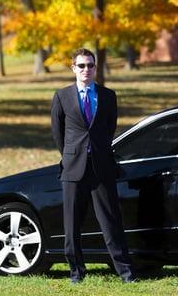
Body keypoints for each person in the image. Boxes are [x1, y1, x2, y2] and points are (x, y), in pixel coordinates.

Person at [51, 48, 135, 284]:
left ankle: (125, 272)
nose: (86, 70)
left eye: (90, 65)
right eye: (81, 66)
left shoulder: (108, 96)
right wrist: (71, 155)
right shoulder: (62, 96)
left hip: (101, 166)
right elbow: (58, 133)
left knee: (111, 222)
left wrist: (98, 151)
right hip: (73, 168)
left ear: (95, 68)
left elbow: (109, 129)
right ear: (73, 68)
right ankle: (76, 272)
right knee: (72, 224)